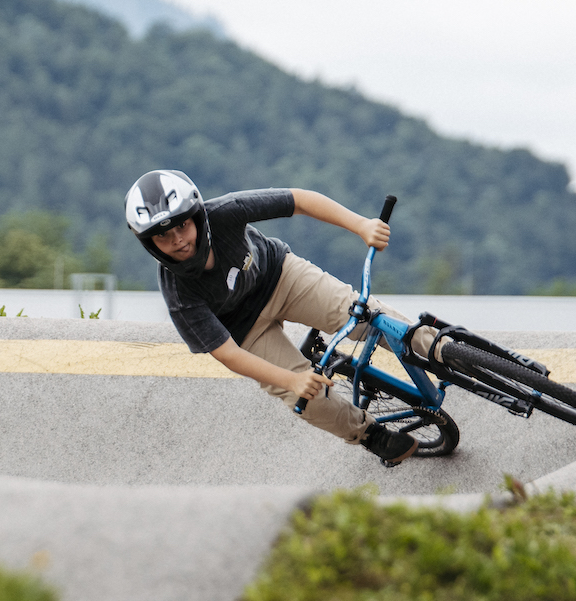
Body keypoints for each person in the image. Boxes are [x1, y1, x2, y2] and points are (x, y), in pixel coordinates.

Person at [125, 169, 438, 467]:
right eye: (163, 236)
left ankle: (442, 346)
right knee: (307, 399)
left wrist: (361, 226)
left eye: (182, 225)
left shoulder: (224, 212)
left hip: (279, 276)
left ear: (196, 215)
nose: (178, 239)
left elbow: (299, 200)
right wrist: (293, 380)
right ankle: (369, 434)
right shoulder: (178, 295)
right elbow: (229, 355)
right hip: (243, 329)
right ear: (148, 243)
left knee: (367, 316)